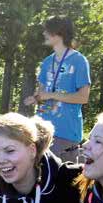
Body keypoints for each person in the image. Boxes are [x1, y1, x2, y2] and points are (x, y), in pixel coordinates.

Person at [23, 16, 90, 162]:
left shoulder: (79, 61)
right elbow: (42, 94)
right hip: (41, 132)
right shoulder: (47, 62)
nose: (44, 34)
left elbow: (83, 97)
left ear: (58, 33)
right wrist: (35, 98)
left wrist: (51, 95)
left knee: (62, 181)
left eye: (47, 30)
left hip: (65, 134)